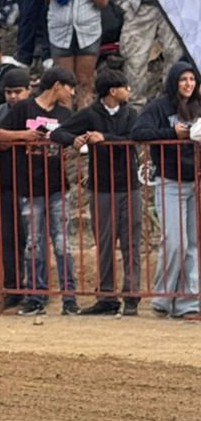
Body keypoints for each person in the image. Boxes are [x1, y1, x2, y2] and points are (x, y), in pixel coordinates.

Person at [50, 70, 139, 316]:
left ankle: (132, 296)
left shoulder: (130, 114)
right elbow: (58, 132)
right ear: (113, 91)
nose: (128, 91)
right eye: (124, 87)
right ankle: (107, 296)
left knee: (131, 241)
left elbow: (134, 138)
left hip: (129, 185)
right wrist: (75, 140)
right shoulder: (91, 114)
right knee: (105, 242)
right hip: (101, 187)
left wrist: (105, 138)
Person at [0, 66, 78, 315]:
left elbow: (73, 136)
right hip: (29, 186)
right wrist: (24, 135)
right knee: (34, 244)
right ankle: (36, 296)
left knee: (62, 242)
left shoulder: (65, 113)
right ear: (57, 86)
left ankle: (69, 296)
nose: (71, 93)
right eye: (69, 87)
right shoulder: (23, 108)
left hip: (57, 186)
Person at [131, 61, 201, 318]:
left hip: (194, 181)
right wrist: (172, 133)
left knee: (192, 243)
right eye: (183, 79)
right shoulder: (159, 107)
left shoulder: (197, 106)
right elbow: (138, 132)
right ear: (174, 82)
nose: (188, 84)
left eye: (192, 80)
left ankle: (188, 302)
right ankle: (163, 297)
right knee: (175, 243)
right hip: (169, 182)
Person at [41, 0, 108, 109]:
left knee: (85, 80)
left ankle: (85, 114)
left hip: (88, 33)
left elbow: (103, 2)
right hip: (61, 33)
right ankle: (66, 117)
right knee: (64, 81)